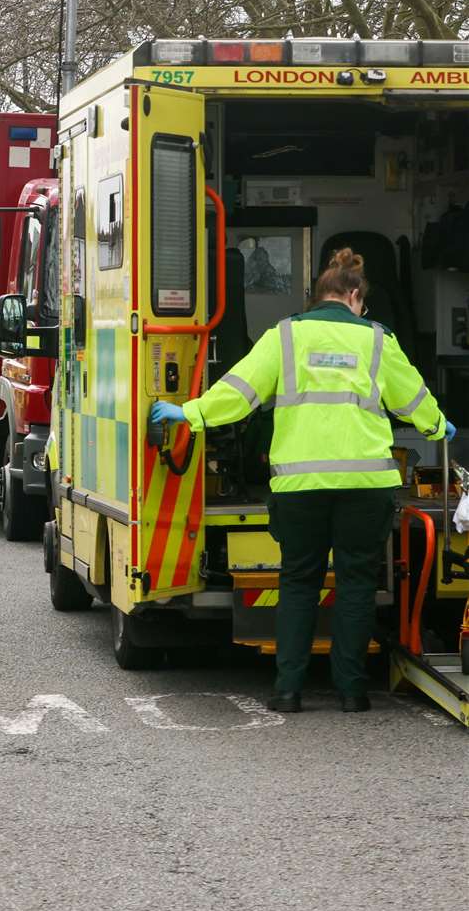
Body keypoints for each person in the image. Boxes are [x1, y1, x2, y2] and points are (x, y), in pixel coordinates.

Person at [150, 249, 454, 714]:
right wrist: (437, 426)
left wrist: (189, 413)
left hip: (299, 489)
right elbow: (413, 398)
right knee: (355, 585)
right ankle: (351, 691)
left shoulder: (285, 337)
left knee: (297, 583)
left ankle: (287, 690)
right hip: (364, 489)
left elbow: (240, 391)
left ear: (319, 296)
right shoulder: (377, 341)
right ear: (353, 295)